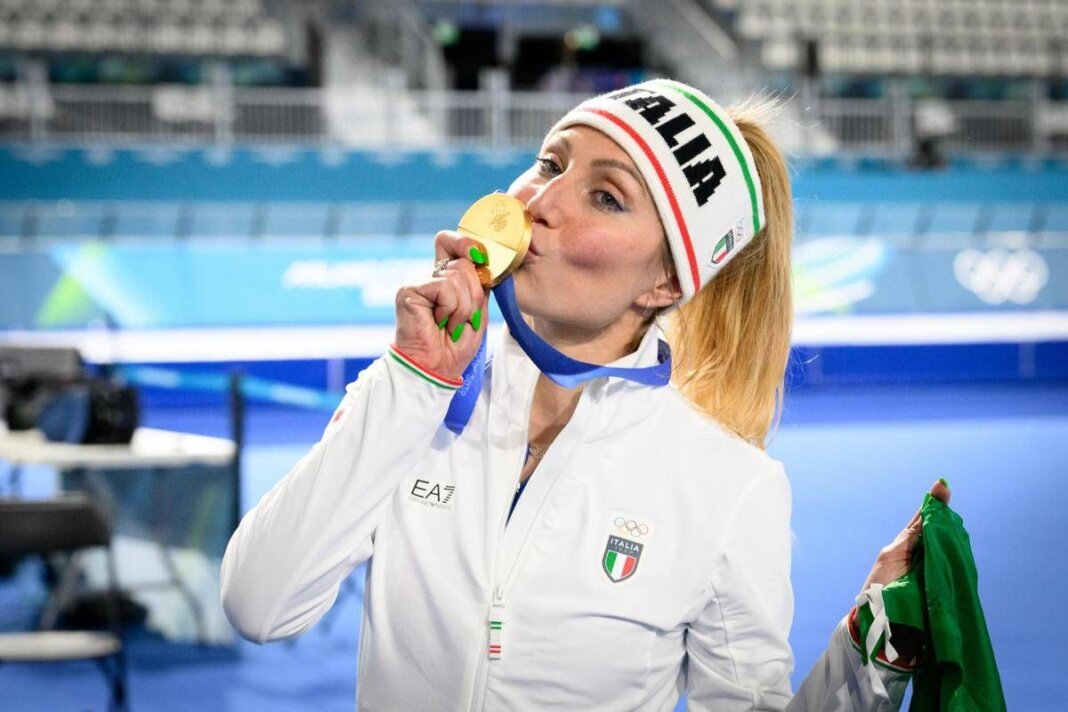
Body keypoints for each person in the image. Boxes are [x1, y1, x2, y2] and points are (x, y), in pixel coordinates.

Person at [221, 79, 947, 710]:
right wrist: (414, 379)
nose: (540, 202)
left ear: (665, 282)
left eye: (605, 196)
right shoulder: (415, 400)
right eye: (549, 162)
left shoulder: (728, 483)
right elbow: (260, 605)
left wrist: (870, 654)